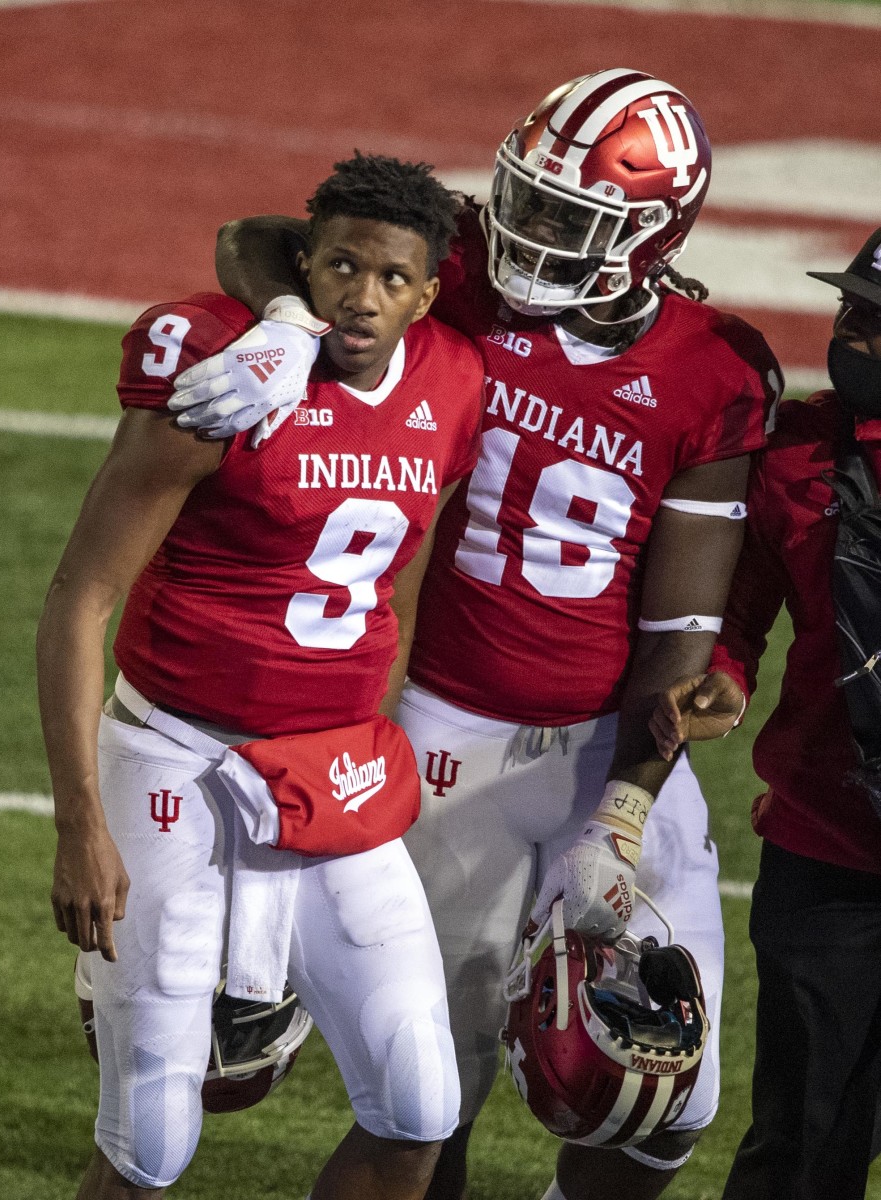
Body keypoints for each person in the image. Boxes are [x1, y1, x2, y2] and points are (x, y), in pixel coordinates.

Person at [169, 69, 782, 1200]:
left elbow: (682, 624)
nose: (528, 233)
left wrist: (628, 804)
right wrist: (289, 323)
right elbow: (256, 239)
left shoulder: (715, 366)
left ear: (647, 238)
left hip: (615, 742)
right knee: (423, 1097)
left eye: (569, 220)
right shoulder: (457, 273)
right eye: (526, 200)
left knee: (655, 1097)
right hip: (454, 734)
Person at [36, 152, 488, 1200]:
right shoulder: (223, 363)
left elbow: (402, 585)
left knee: (421, 1102)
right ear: (306, 263)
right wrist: (79, 824)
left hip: (330, 769)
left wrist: (378, 741)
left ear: (425, 294)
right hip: (178, 756)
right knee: (153, 1133)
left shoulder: (454, 377)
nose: (359, 297)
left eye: (388, 280)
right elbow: (79, 595)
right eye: (339, 267)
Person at [651, 229, 881, 1200]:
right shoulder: (794, 452)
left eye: (879, 326)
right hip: (829, 853)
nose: (853, 338)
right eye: (853, 313)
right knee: (800, 1149)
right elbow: (739, 609)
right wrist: (728, 680)